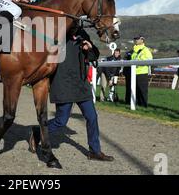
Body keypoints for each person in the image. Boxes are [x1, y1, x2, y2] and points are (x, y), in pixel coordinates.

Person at [28, 26, 114, 162]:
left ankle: (95, 151)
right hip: (63, 84)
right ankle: (38, 132)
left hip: (81, 84)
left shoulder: (82, 33)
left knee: (92, 117)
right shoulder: (57, 34)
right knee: (61, 121)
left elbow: (94, 56)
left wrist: (89, 49)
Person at [131, 35, 153, 108]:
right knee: (135, 90)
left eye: (137, 39)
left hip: (142, 73)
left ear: (142, 40)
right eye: (135, 39)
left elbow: (150, 60)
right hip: (134, 73)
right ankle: (136, 104)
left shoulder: (145, 50)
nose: (136, 40)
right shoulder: (134, 50)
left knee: (142, 90)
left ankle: (144, 106)